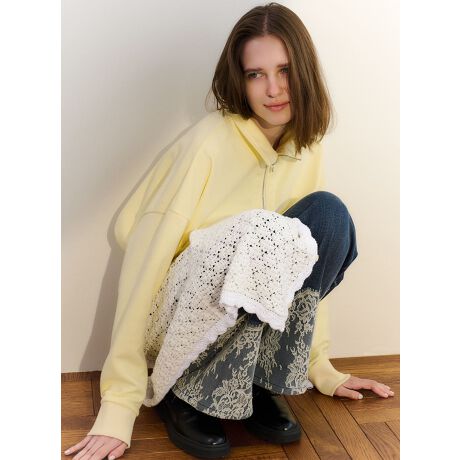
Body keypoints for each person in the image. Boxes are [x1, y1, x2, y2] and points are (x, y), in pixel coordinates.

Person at [64, 3, 394, 459]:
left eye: (284, 70)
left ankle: (256, 379)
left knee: (329, 217)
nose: (273, 89)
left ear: (305, 72)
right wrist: (119, 406)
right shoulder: (208, 143)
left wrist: (321, 366)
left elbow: (307, 261)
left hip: (244, 314)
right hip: (178, 317)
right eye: (256, 74)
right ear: (239, 80)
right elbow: (143, 265)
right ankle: (184, 387)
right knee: (263, 229)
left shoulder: (308, 146)